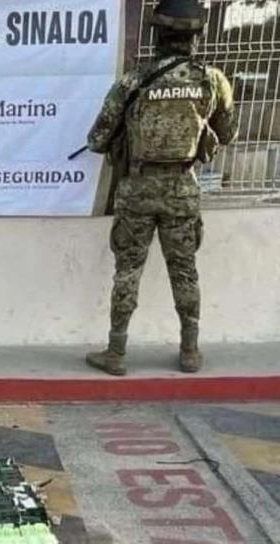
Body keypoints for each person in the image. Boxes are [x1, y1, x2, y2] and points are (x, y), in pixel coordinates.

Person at [84, 0, 237, 376]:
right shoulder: (212, 81)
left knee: (127, 271)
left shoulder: (132, 82)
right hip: (182, 188)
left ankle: (116, 352)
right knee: (185, 271)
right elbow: (228, 133)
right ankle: (190, 351)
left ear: (156, 35)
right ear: (196, 37)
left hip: (137, 189)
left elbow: (97, 139)